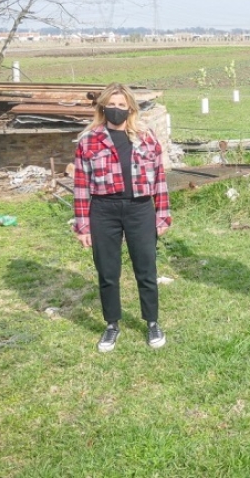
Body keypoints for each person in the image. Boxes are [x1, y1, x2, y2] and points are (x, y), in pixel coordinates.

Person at [73, 83, 171, 352]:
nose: (116, 110)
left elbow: (160, 178)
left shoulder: (146, 138)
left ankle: (152, 322)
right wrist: (83, 225)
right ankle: (111, 324)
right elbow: (81, 185)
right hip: (104, 211)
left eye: (121, 105)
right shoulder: (89, 140)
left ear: (130, 108)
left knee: (146, 270)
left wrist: (162, 215)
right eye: (111, 105)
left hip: (140, 209)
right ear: (103, 107)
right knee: (107, 272)